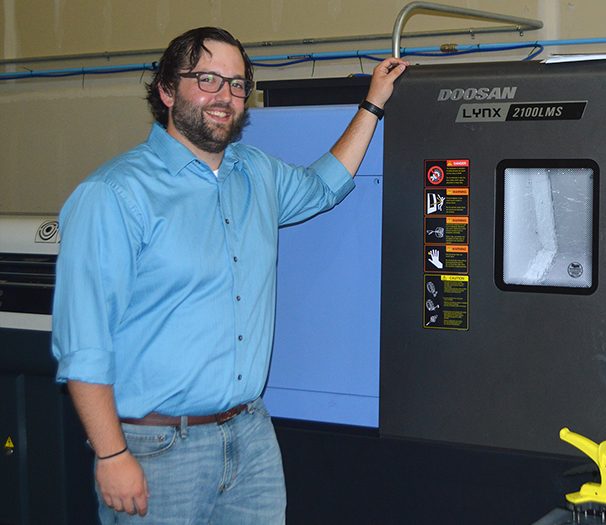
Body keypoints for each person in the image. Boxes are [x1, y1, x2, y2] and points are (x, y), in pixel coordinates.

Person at [51, 26, 407, 523]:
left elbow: (323, 186)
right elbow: (83, 344)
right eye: (208, 79)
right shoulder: (113, 195)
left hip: (250, 436)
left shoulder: (255, 174)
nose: (225, 96)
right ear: (167, 90)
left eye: (237, 84)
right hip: (155, 448)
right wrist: (112, 455)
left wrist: (372, 103)